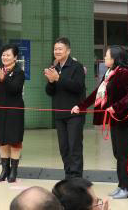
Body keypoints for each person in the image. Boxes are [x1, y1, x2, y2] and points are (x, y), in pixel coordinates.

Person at [72, 46, 128, 199]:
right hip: (114, 120)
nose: (105, 58)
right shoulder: (109, 73)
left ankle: (127, 187)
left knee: (124, 154)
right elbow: (97, 93)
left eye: (107, 55)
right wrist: (81, 106)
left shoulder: (125, 73)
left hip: (124, 119)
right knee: (118, 154)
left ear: (115, 58)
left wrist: (116, 107)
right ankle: (122, 185)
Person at [44, 37, 86, 179]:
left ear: (68, 50)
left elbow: (78, 87)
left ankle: (76, 176)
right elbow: (49, 92)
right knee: (64, 147)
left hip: (75, 114)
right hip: (59, 113)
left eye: (60, 49)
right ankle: (68, 174)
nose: (57, 51)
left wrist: (58, 79)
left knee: (74, 146)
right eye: (55, 49)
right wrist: (51, 82)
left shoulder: (77, 67)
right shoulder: (53, 67)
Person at [0, 44, 26, 183]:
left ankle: (14, 171)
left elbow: (15, 89)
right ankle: (4, 171)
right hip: (0, 111)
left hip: (14, 112)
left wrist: (3, 79)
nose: (5, 57)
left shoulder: (19, 72)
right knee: (2, 142)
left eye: (8, 55)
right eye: (3, 55)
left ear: (15, 57)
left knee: (14, 142)